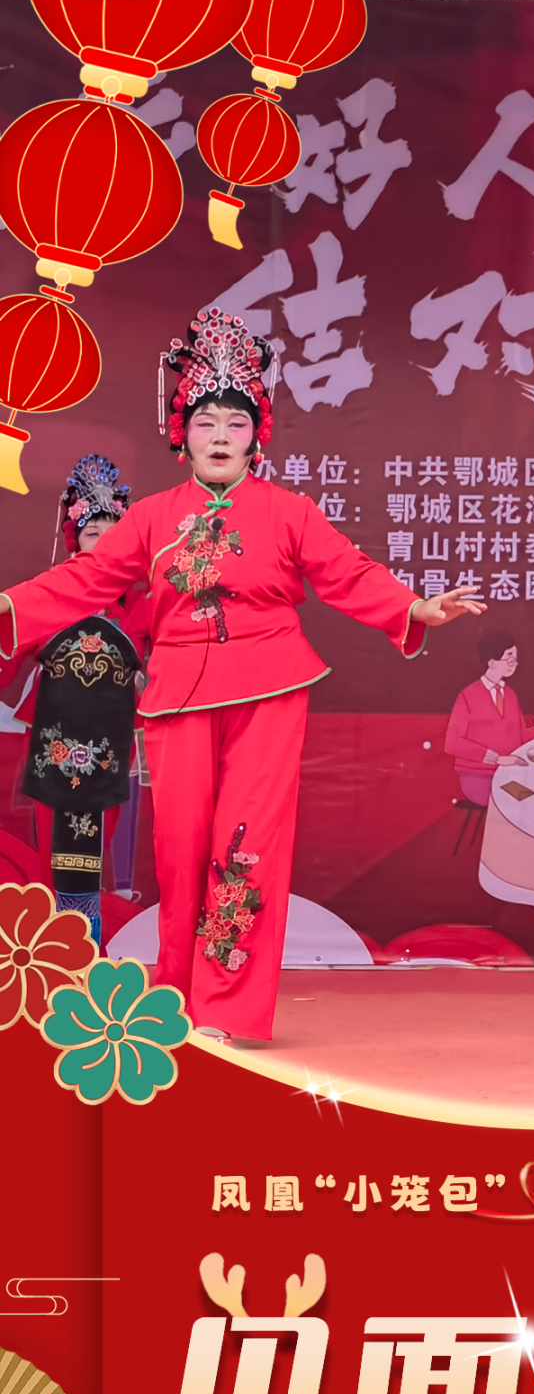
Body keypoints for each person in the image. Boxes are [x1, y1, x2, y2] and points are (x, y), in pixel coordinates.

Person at [0, 307, 484, 1045]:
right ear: (182, 434)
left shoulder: (290, 512)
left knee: (245, 845)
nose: (221, 435)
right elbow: (86, 578)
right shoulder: (151, 518)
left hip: (269, 691)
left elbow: (347, 571)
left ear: (257, 435)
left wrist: (412, 606)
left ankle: (227, 1009)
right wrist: (11, 605)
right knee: (180, 849)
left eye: (235, 422)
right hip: (177, 697)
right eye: (206, 423)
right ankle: (177, 999)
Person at [5, 455, 151, 941]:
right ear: (75, 542)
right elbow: (8, 649)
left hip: (113, 751)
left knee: (97, 852)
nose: (104, 545)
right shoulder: (48, 598)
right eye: (93, 534)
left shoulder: (144, 603)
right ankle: (54, 948)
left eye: (115, 535)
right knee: (53, 853)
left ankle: (88, 945)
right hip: (55, 749)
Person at [444, 633, 534, 804]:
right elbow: (453, 743)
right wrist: (497, 759)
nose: (515, 664)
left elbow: (521, 735)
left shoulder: (510, 694)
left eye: (515, 660)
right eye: (510, 660)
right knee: (521, 802)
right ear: (492, 662)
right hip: (477, 776)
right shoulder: (468, 695)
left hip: (508, 772)